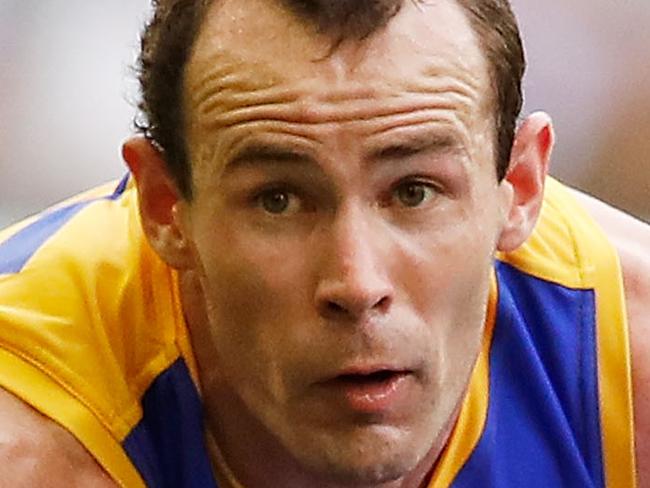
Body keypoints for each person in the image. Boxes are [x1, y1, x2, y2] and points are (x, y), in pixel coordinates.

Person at [0, 0, 648, 486]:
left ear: (521, 187)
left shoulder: (627, 368)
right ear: (166, 209)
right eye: (277, 199)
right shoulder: (31, 434)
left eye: (414, 191)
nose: (358, 283)